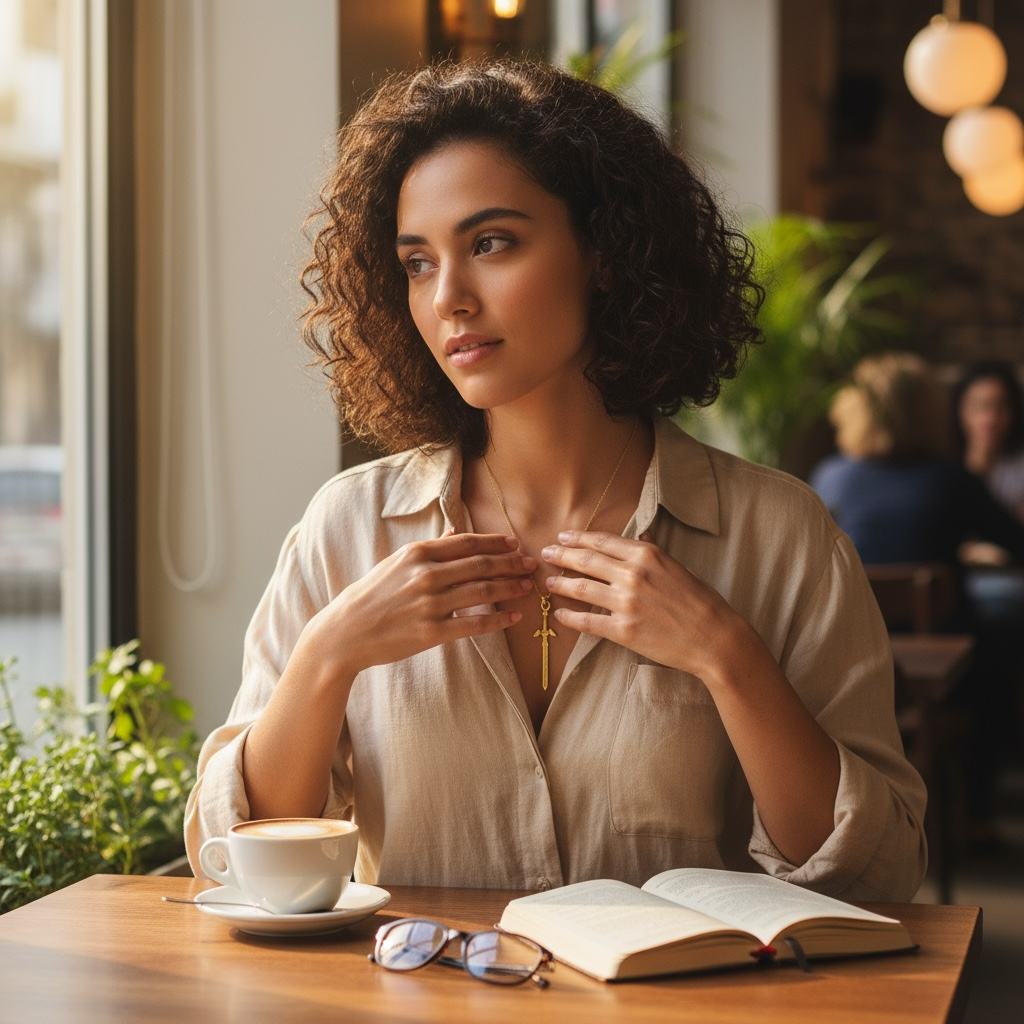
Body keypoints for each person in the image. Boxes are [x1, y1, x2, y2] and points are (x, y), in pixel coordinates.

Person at [185, 60, 925, 901]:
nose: (449, 298)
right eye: (418, 262)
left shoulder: (780, 535)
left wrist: (727, 658)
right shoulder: (348, 528)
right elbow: (239, 864)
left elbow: (877, 873)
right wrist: (328, 656)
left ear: (604, 252)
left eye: (489, 244)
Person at [811, 352, 1024, 840]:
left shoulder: (830, 477)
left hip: (846, 664)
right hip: (941, 672)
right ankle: (976, 812)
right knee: (1002, 642)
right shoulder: (951, 479)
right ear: (931, 410)